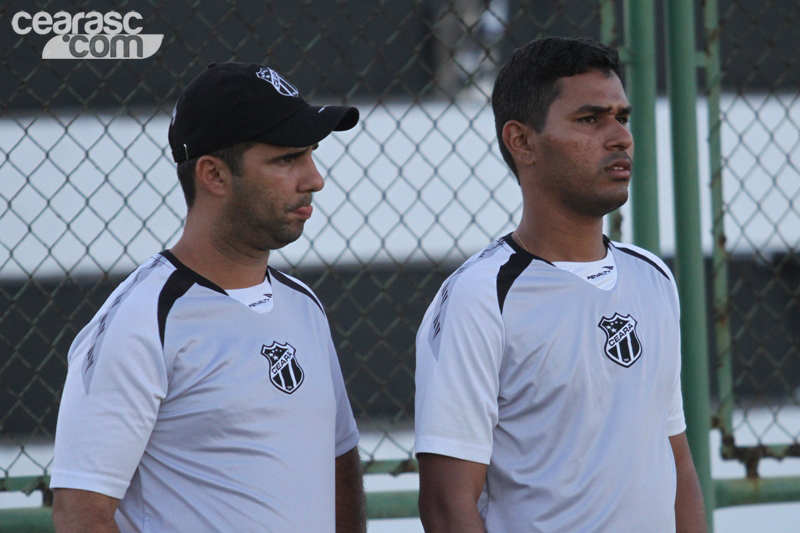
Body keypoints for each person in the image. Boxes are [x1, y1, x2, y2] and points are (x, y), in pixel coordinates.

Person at [50, 62, 366, 533]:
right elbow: (81, 516)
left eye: (312, 154)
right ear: (214, 175)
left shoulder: (304, 304)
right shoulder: (141, 319)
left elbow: (339, 462)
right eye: (287, 159)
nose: (314, 179)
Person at [414, 37, 707, 532]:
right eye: (591, 119)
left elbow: (674, 459)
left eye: (623, 117)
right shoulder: (481, 296)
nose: (620, 137)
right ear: (522, 141)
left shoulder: (653, 277)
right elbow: (447, 504)